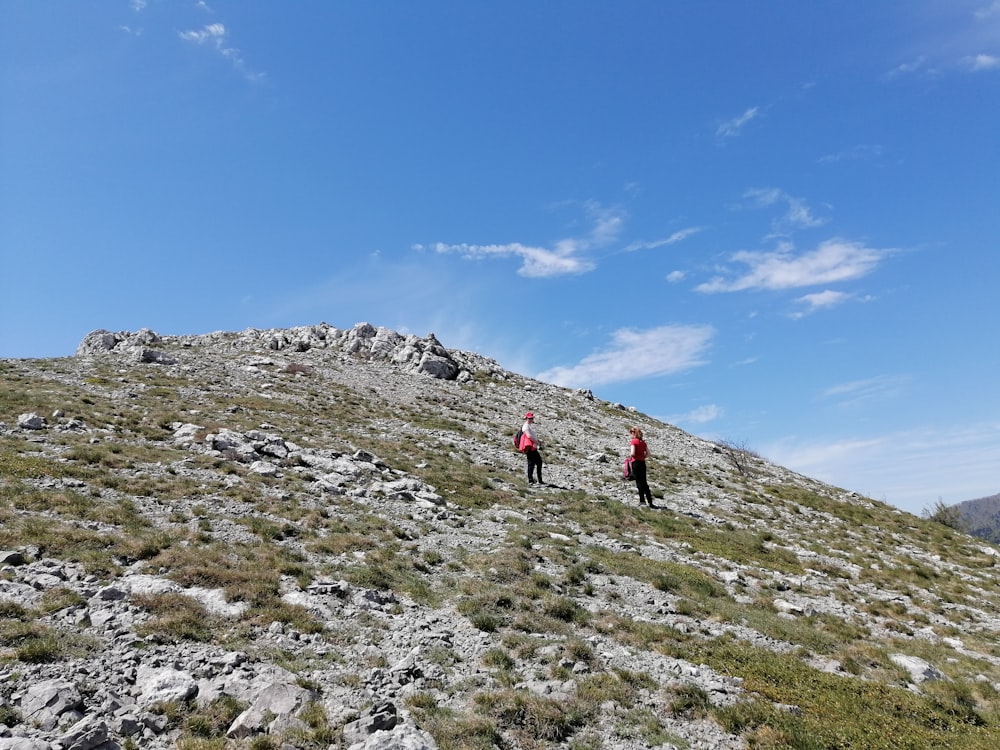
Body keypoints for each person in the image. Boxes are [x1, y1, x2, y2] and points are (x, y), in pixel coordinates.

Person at [629, 426, 654, 507]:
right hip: (642, 463)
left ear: (633, 433)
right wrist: (642, 456)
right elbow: (649, 454)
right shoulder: (643, 442)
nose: (630, 435)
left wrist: (631, 456)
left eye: (631, 433)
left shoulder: (633, 441)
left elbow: (632, 453)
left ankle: (642, 500)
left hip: (635, 462)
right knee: (644, 482)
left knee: (639, 482)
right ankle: (650, 501)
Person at [519, 412, 544, 484]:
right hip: (529, 447)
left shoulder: (529, 426)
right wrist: (537, 442)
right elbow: (529, 436)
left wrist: (538, 441)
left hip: (532, 447)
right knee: (532, 463)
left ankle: (537, 480)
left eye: (531, 418)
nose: (531, 419)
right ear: (526, 418)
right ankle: (532, 480)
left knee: (537, 462)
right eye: (529, 418)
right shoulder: (526, 426)